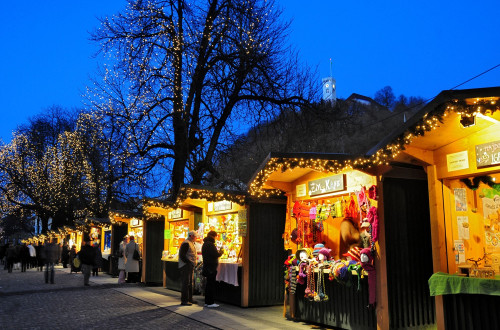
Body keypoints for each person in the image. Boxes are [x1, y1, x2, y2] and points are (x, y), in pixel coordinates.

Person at [202, 231, 224, 308]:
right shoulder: (210, 245)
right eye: (215, 236)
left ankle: (207, 302)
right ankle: (210, 302)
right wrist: (221, 252)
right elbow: (216, 254)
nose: (216, 238)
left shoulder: (205, 244)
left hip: (207, 266)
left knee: (208, 284)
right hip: (211, 267)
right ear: (213, 236)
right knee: (211, 284)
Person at [178, 231, 198, 306]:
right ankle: (184, 300)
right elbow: (182, 255)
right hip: (186, 266)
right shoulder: (186, 243)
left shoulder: (191, 243)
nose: (196, 238)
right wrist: (188, 262)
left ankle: (190, 299)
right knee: (186, 283)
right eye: (195, 236)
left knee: (190, 283)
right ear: (192, 236)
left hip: (190, 265)